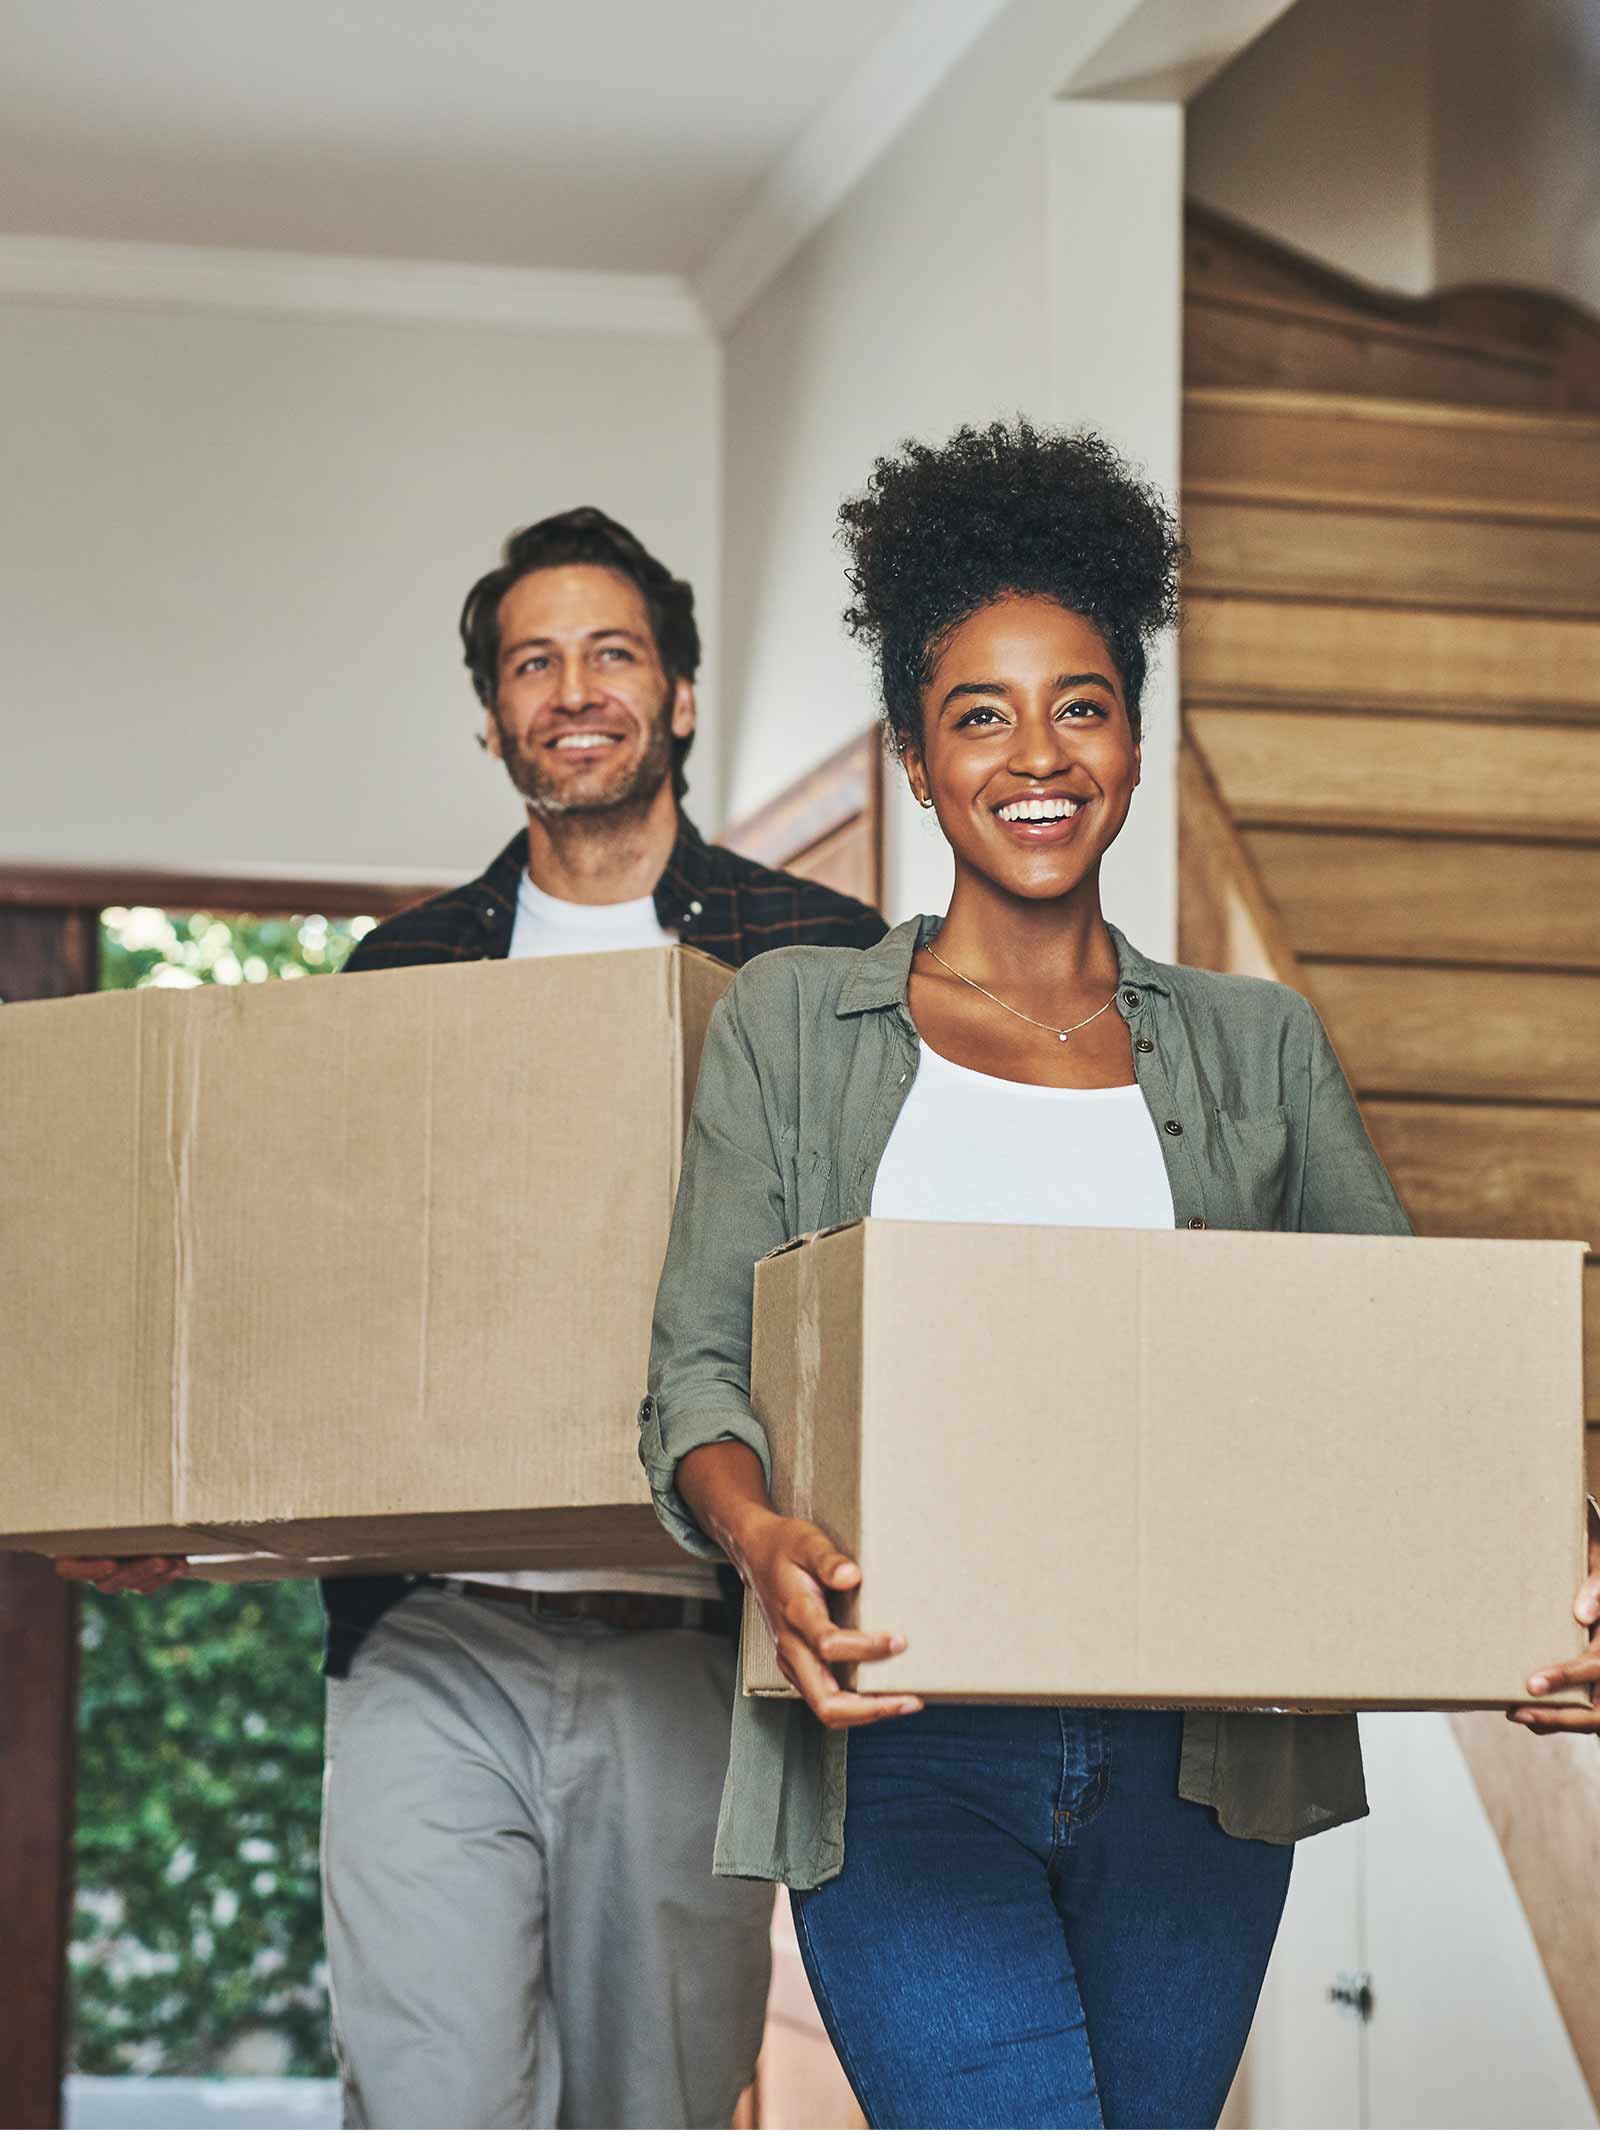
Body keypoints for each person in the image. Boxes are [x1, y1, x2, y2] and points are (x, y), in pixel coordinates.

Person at [640, 422, 1600, 2131]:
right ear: (919, 768)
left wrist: (1554, 1557)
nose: (1037, 753)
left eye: (1080, 704)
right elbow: (700, 1372)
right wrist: (760, 1536)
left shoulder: (1258, 1045)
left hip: (1203, 1764)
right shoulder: (794, 1028)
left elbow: (1406, 1371)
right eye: (979, 713)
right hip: (898, 1737)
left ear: (1136, 746)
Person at [57, 505, 887, 2130]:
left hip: (687, 1644)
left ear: (683, 696)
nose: (573, 690)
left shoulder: (817, 958)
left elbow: (867, 1293)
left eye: (612, 653)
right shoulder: (402, 969)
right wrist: (164, 1505)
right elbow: (308, 1308)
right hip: (431, 1642)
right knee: (425, 2099)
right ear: (494, 713)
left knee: (656, 2108)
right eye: (533, 662)